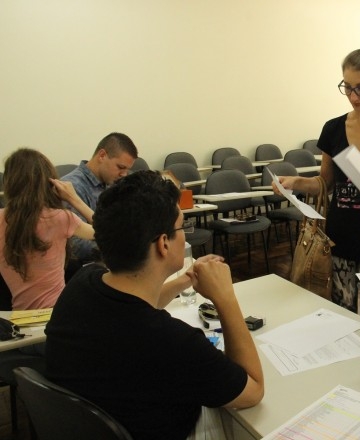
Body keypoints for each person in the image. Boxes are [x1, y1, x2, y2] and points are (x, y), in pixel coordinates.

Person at [45, 170, 264, 440]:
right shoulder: (173, 343)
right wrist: (225, 298)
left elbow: (139, 306)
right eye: (182, 228)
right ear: (163, 243)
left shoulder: (81, 285)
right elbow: (253, 391)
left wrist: (186, 278)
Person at [274, 49, 360, 326]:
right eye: (347, 88)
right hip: (338, 239)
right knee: (339, 319)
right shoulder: (334, 128)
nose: (353, 96)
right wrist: (295, 182)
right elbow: (325, 182)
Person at [0, 148, 95, 310]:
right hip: (57, 315)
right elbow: (108, 231)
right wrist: (74, 199)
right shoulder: (60, 218)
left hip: (18, 319)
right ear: (49, 182)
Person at [60, 132, 138, 267]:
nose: (124, 174)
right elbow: (74, 244)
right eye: (120, 167)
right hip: (86, 268)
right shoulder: (71, 188)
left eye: (127, 169)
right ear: (102, 155)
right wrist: (122, 250)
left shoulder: (113, 182)